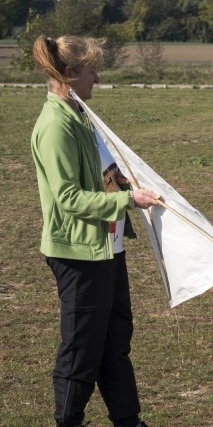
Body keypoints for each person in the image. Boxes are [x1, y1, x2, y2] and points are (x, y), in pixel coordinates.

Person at [30, 35, 161, 427]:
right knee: (81, 349)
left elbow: (99, 172)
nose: (98, 78)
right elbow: (68, 197)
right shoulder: (56, 125)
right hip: (78, 254)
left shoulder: (81, 115)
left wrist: (118, 180)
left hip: (107, 247)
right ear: (70, 74)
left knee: (114, 342)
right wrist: (128, 200)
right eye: (91, 71)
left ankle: (129, 420)